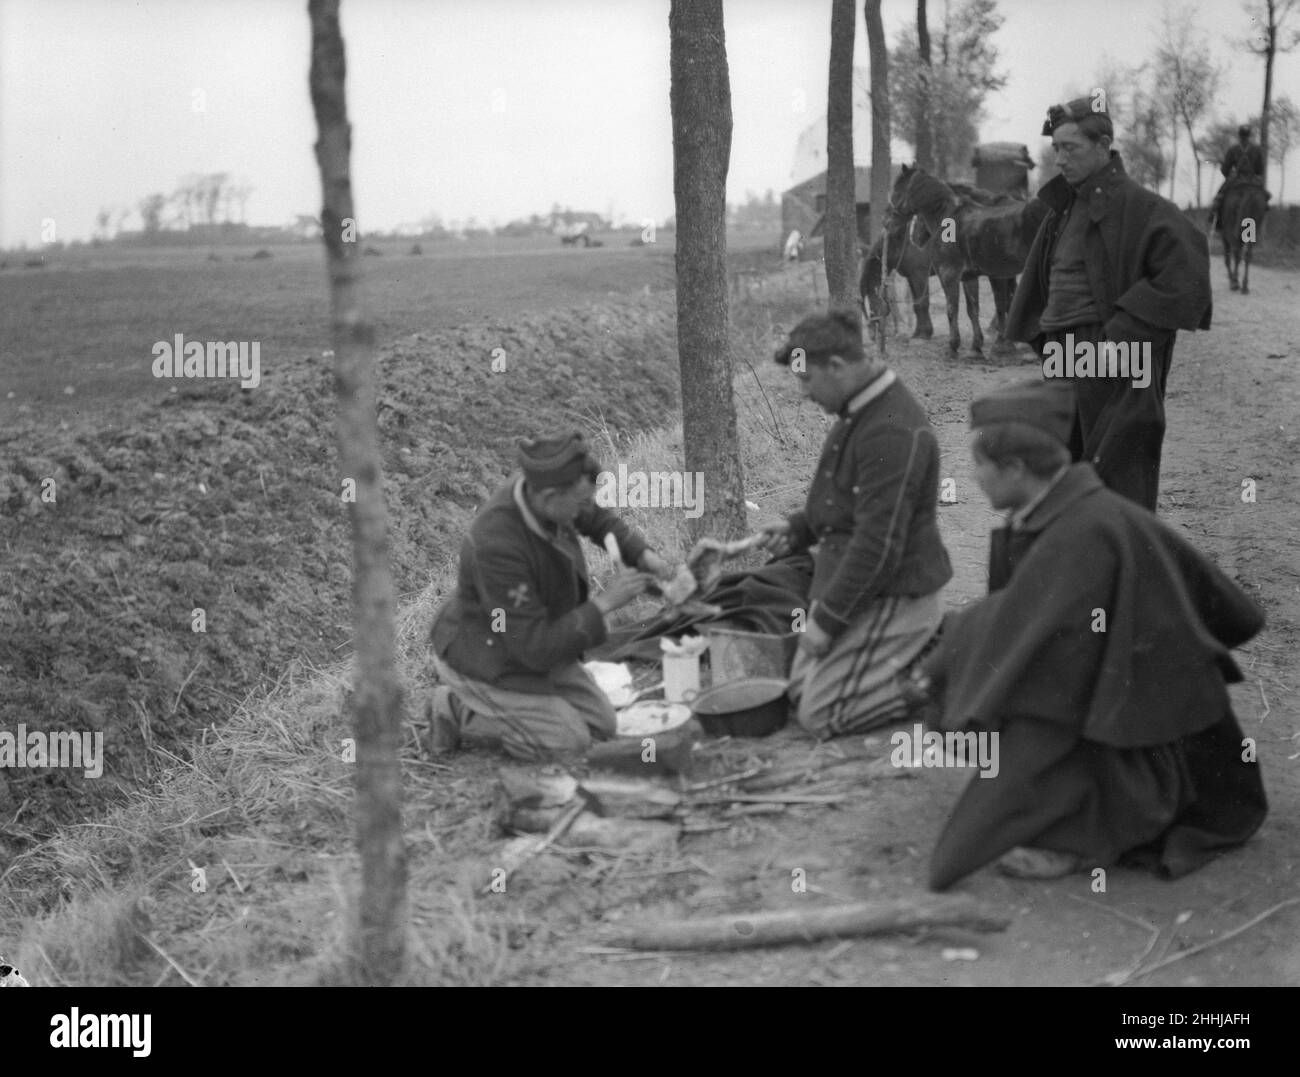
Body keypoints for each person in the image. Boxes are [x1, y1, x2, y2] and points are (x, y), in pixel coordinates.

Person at [911, 380, 1267, 890]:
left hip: (1161, 728)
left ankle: (1079, 836)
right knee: (994, 670)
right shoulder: (1065, 508)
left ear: (1015, 469)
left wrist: (966, 843)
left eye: (979, 467)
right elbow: (1016, 617)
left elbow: (1050, 671)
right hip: (1131, 693)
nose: (972, 479)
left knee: (1038, 706)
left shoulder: (1085, 532)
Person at [1005, 96, 1212, 512]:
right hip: (1065, 356)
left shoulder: (1143, 207)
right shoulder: (1062, 209)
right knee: (1065, 474)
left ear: (1104, 146)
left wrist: (1122, 335)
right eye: (1056, 149)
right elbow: (1044, 281)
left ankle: (1125, 565)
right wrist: (1044, 336)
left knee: (1118, 476)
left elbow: (1186, 277)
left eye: (1071, 149)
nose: (1060, 160)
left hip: (1113, 355)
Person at [426, 431, 676, 760]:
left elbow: (594, 516)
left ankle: (511, 709)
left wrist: (641, 554)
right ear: (549, 497)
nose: (585, 509)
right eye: (580, 501)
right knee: (569, 742)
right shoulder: (496, 546)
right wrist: (605, 603)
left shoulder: (544, 492)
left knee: (601, 724)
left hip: (534, 635)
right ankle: (456, 708)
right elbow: (533, 648)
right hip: (489, 654)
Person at [764, 306, 952, 739]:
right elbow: (845, 502)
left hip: (896, 594)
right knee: (796, 693)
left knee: (820, 714)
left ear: (836, 367)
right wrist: (797, 529)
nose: (804, 393)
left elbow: (877, 546)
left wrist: (825, 622)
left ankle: (934, 678)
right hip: (864, 589)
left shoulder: (891, 429)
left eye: (806, 379)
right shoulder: (860, 409)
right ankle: (906, 662)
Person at [1209, 124, 1267, 231]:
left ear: (1239, 136)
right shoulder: (1256, 149)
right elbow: (1261, 169)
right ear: (1249, 136)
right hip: (1252, 180)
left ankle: (1214, 218)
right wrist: (1256, 176)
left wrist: (1230, 174)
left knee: (1219, 197)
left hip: (1237, 179)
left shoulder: (1233, 149)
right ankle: (1254, 228)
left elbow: (1225, 169)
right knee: (1265, 196)